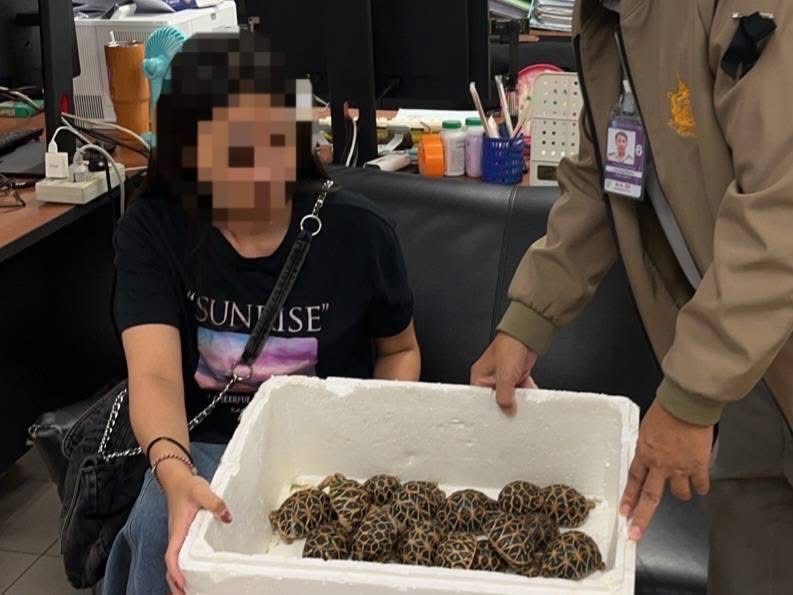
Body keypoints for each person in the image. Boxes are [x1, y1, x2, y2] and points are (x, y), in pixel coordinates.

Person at [471, 1, 793, 592]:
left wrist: (691, 395)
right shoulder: (605, 17)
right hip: (746, 367)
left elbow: (781, 208)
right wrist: (530, 317)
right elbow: (605, 174)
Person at [103, 31, 420, 595]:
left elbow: (400, 349)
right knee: (160, 532)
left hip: (326, 453)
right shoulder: (154, 229)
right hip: (204, 448)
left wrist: (368, 445)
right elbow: (153, 375)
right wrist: (175, 475)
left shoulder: (358, 232)